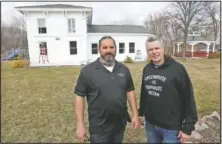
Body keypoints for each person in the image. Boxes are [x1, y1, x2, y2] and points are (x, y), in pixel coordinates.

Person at [74, 36, 140, 143]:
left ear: (116, 49)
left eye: (111, 47)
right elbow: (79, 96)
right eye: (105, 47)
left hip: (119, 125)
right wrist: (80, 124)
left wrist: (135, 114)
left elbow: (130, 91)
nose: (108, 50)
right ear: (99, 49)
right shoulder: (87, 71)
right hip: (99, 127)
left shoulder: (124, 69)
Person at [138, 35, 198, 143]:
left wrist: (187, 127)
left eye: (157, 48)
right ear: (147, 52)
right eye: (150, 49)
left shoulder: (177, 69)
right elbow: (144, 93)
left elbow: (188, 98)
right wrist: (140, 112)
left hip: (171, 128)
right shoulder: (147, 69)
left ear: (162, 49)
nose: (154, 52)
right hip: (151, 125)